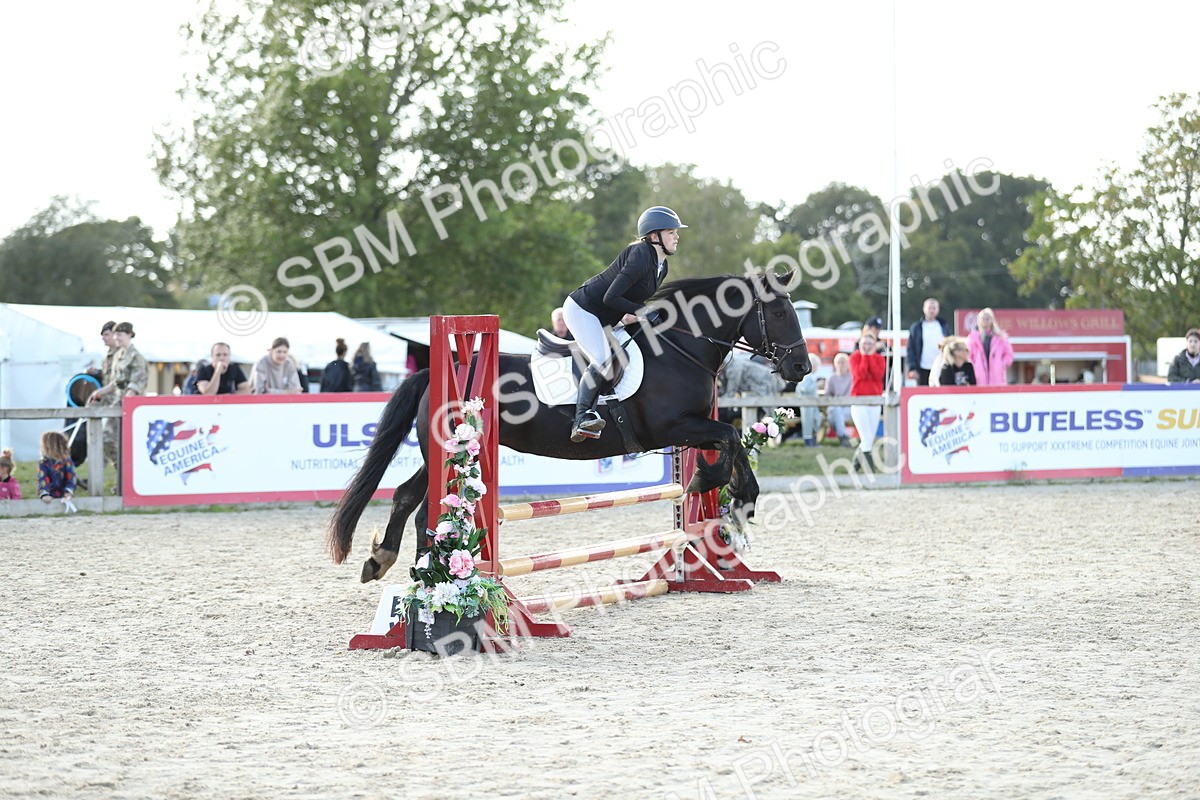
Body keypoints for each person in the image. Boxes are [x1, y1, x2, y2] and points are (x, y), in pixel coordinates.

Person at [562, 205, 686, 442]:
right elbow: (611, 297)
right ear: (654, 236)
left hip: (606, 316)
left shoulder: (662, 266)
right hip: (583, 309)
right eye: (671, 232)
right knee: (600, 358)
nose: (677, 236)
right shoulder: (640, 254)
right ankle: (581, 418)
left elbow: (629, 303)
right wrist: (643, 311)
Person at [87, 321, 148, 471]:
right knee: (106, 439)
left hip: (128, 406)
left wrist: (127, 399)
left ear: (129, 335)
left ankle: (124, 475)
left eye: (119, 334)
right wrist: (99, 392)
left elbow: (136, 384)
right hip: (115, 402)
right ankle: (119, 475)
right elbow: (115, 382)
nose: (116, 337)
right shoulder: (118, 355)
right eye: (115, 334)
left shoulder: (136, 357)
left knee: (109, 437)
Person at [850, 332, 886, 471]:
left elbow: (878, 375)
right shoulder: (854, 357)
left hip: (874, 401)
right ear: (859, 344)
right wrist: (866, 356)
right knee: (866, 437)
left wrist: (870, 356)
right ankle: (871, 469)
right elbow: (860, 374)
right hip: (859, 401)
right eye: (864, 343)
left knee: (869, 438)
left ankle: (854, 467)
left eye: (870, 344)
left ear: (874, 345)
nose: (867, 346)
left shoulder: (879, 358)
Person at [905, 298, 951, 386]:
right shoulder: (916, 328)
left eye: (934, 308)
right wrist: (912, 368)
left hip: (941, 367)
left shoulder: (944, 325)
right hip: (923, 368)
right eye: (929, 307)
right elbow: (910, 349)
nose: (932, 310)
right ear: (924, 309)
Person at [966, 307, 1014, 386]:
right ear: (979, 320)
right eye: (983, 318)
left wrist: (1002, 364)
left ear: (992, 320)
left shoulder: (1000, 337)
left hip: (997, 375)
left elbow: (1009, 354)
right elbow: (968, 355)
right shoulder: (972, 338)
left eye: (988, 318)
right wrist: (974, 366)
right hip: (978, 375)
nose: (985, 321)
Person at [37, 431, 76, 510]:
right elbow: (43, 479)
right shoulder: (44, 463)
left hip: (64, 494)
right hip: (50, 495)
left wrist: (69, 492)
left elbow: (71, 478)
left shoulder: (67, 461)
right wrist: (44, 494)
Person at [794, 354, 823, 446]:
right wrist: (817, 385)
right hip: (806, 405)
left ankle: (813, 441)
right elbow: (804, 389)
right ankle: (809, 442)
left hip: (812, 404)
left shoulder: (810, 377)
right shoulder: (806, 377)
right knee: (808, 423)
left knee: (815, 420)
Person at [825, 352, 853, 446]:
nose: (841, 364)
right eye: (838, 362)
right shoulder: (831, 377)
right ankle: (843, 437)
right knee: (835, 410)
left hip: (849, 408)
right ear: (835, 364)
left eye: (843, 362)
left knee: (835, 415)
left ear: (848, 363)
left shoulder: (853, 377)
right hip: (835, 407)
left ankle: (842, 437)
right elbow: (827, 395)